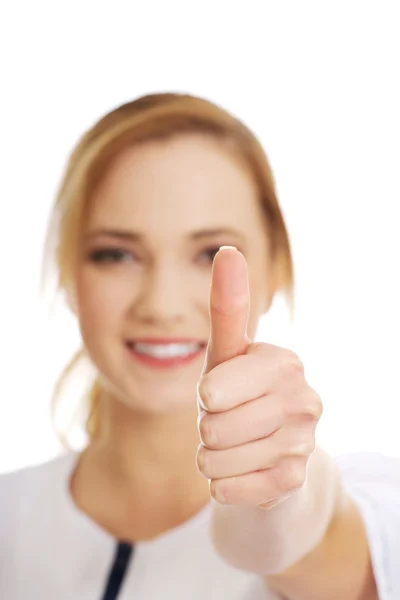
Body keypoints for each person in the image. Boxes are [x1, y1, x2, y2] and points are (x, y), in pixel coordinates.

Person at [0, 92, 399, 600]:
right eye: (116, 254)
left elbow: (313, 542)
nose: (161, 305)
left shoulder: (378, 507)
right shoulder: (7, 518)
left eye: (210, 252)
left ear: (278, 267)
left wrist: (278, 495)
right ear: (67, 272)